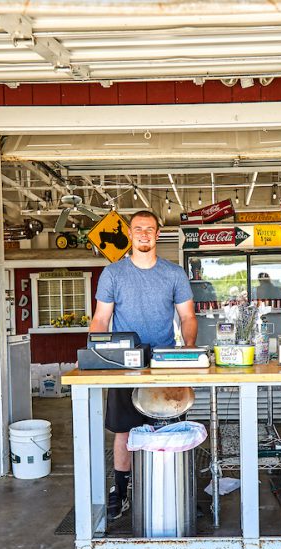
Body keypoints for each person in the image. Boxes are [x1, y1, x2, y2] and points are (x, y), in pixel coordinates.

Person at [89, 210, 197, 520]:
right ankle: (120, 492)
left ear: (158, 234)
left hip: (166, 361)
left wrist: (188, 350)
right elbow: (101, 318)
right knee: (124, 430)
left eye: (150, 229)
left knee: (173, 427)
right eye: (138, 229)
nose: (144, 234)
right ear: (130, 234)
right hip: (124, 361)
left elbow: (188, 317)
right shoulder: (113, 273)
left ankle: (180, 489)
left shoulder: (174, 273)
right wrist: (97, 353)